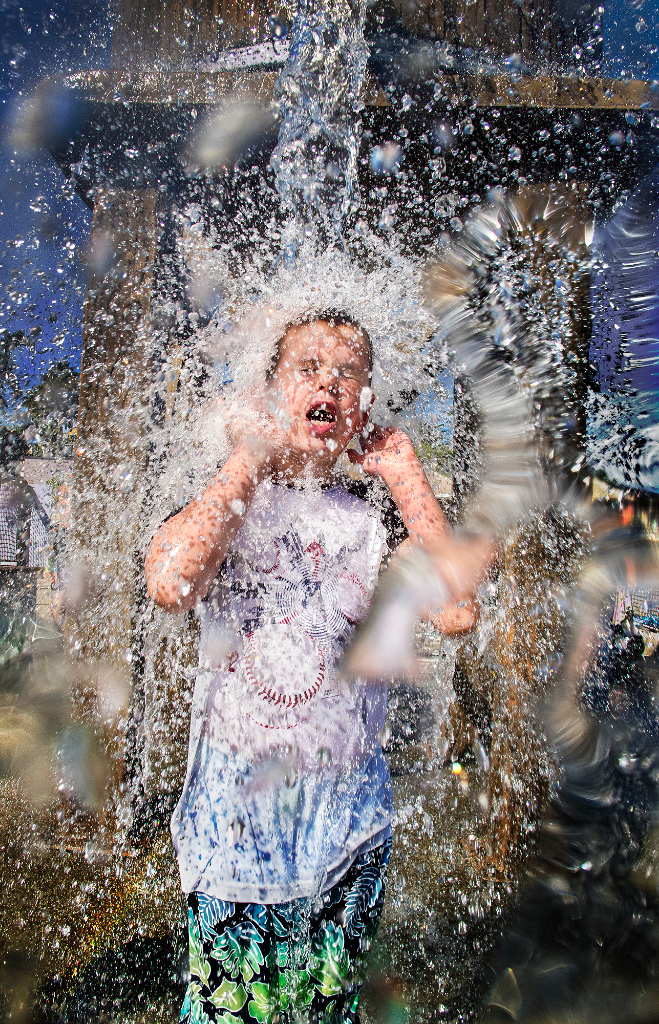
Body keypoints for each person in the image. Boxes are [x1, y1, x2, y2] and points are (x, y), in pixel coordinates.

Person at [144, 311, 477, 1024]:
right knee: (231, 1012)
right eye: (307, 368)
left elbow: (456, 611)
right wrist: (248, 458)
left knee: (329, 1013)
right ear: (272, 392)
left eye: (347, 373)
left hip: (347, 835)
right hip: (237, 836)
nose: (328, 381)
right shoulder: (230, 498)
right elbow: (170, 583)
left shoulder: (375, 516)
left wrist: (407, 475)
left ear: (363, 403)